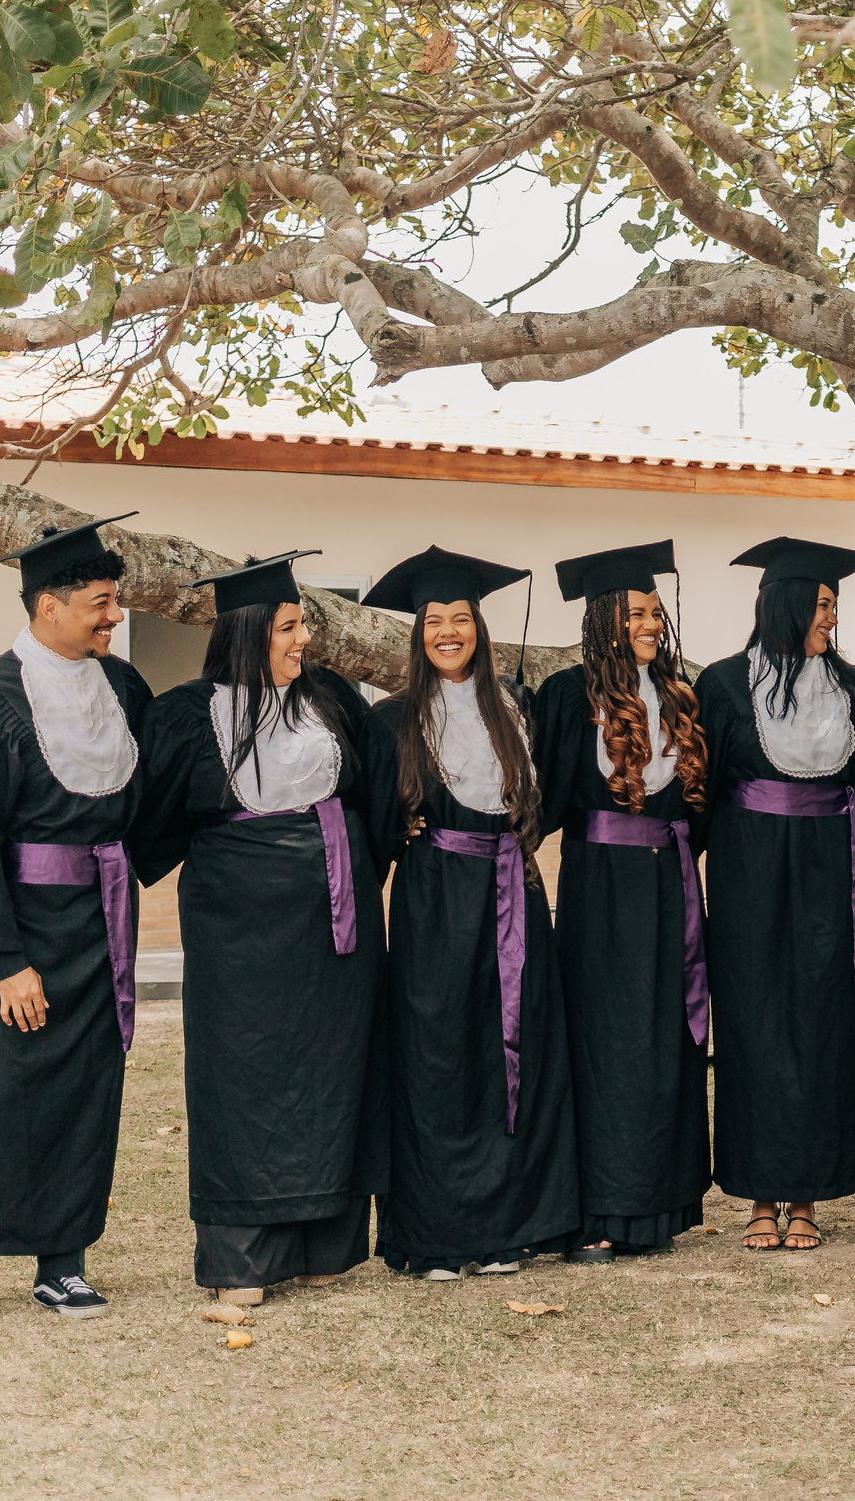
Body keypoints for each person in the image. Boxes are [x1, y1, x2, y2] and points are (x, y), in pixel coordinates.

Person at [0, 516, 151, 1331]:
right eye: (100, 603)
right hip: (15, 931)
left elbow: (153, 800)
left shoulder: (122, 690)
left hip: (100, 923)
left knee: (89, 1088)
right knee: (4, 1089)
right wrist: (5, 960)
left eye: (114, 602)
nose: (113, 617)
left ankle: (63, 1263)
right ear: (49, 605)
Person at [131, 551, 392, 1304]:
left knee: (334, 1073)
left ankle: (322, 1244)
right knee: (242, 1079)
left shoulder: (334, 699)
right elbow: (155, 825)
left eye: (302, 622)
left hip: (336, 934)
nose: (302, 637)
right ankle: (242, 1261)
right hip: (237, 937)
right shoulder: (185, 715)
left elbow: (371, 799)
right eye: (287, 626)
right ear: (248, 633)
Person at [363, 546, 579, 1280]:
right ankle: (433, 1235)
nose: (448, 631)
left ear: (480, 629)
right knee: (437, 1056)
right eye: (434, 621)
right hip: (434, 904)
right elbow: (372, 822)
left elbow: (539, 804)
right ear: (416, 635)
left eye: (461, 618)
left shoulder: (515, 707)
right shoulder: (393, 717)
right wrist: (402, 830)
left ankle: (501, 1228)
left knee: (509, 1053)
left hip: (514, 894)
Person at [696, 538, 855, 1253]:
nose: (832, 617)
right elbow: (699, 796)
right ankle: (755, 1194)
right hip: (748, 876)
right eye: (823, 603)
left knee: (823, 1027)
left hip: (829, 875)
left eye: (835, 605)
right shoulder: (720, 686)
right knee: (752, 1026)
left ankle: (807, 1195)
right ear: (784, 602)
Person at [531, 541, 711, 1260]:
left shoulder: (679, 693)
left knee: (665, 1038)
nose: (652, 622)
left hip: (668, 885)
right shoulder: (565, 696)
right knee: (603, 1042)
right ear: (606, 618)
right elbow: (538, 800)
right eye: (637, 612)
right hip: (599, 889)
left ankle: (658, 1208)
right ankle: (600, 1208)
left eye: (654, 611)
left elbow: (703, 808)